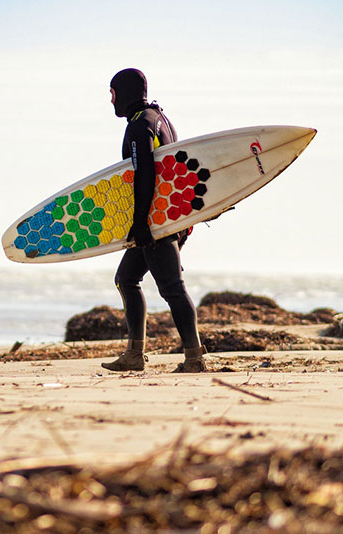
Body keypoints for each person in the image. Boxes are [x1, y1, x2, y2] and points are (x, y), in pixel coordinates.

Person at [101, 68, 207, 373]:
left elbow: (144, 173)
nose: (111, 101)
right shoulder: (160, 118)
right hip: (171, 216)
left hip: (155, 221)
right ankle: (134, 355)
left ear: (125, 92)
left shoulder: (139, 125)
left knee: (172, 287)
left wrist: (140, 224)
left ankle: (194, 358)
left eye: (112, 93)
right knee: (127, 278)